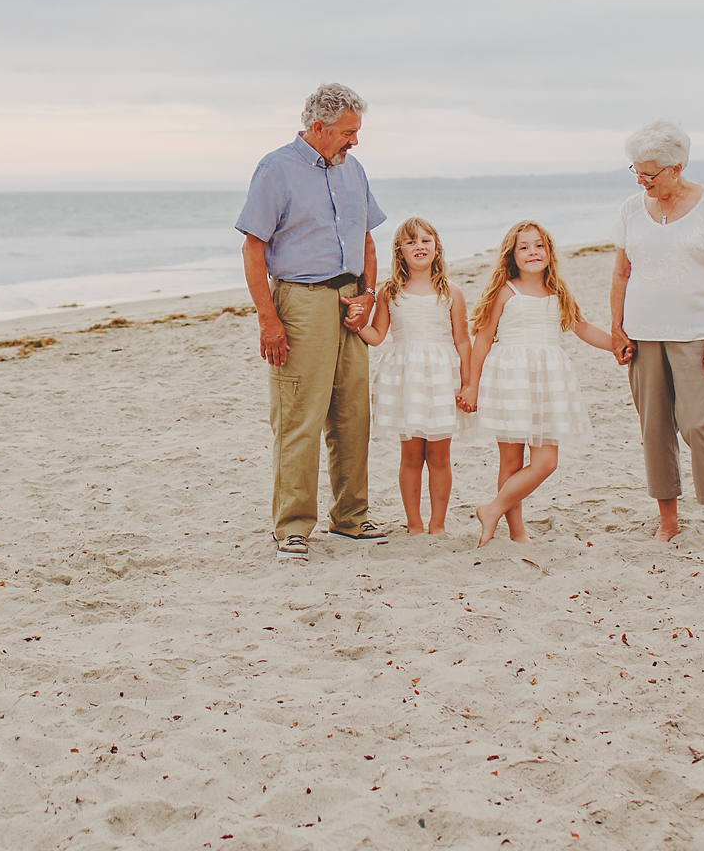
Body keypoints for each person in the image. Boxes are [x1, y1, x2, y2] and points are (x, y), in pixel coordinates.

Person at [236, 83, 387, 561]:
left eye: (356, 132)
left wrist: (367, 294)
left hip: (351, 301)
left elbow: (367, 238)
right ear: (317, 128)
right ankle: (293, 526)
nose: (354, 142)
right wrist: (269, 320)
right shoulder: (275, 169)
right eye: (347, 133)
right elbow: (253, 249)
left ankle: (351, 518)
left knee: (352, 416)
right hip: (300, 303)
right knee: (299, 418)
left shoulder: (354, 169)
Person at [610, 118, 704, 547]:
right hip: (643, 334)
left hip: (699, 333)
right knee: (654, 428)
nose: (641, 180)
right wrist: (616, 328)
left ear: (677, 167)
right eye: (635, 170)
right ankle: (667, 518)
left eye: (649, 172)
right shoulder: (632, 209)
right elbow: (621, 272)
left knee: (702, 425)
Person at [459, 220, 615, 547]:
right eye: (524, 247)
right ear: (511, 255)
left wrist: (617, 344)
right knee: (512, 461)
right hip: (509, 378)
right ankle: (517, 532)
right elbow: (483, 339)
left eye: (539, 245)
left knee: (546, 462)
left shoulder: (559, 292)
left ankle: (492, 509)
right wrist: (471, 385)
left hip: (549, 381)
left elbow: (583, 327)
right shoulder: (505, 291)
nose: (533, 252)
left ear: (549, 251)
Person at [353, 217, 472, 535]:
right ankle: (415, 524)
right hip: (405, 377)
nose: (419, 246)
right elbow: (378, 335)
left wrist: (469, 382)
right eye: (411, 241)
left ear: (436, 248)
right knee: (411, 454)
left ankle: (437, 524)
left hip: (441, 377)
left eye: (426, 240)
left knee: (439, 455)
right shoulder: (389, 291)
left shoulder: (451, 291)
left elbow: (462, 339)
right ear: (399, 252)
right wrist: (355, 325)